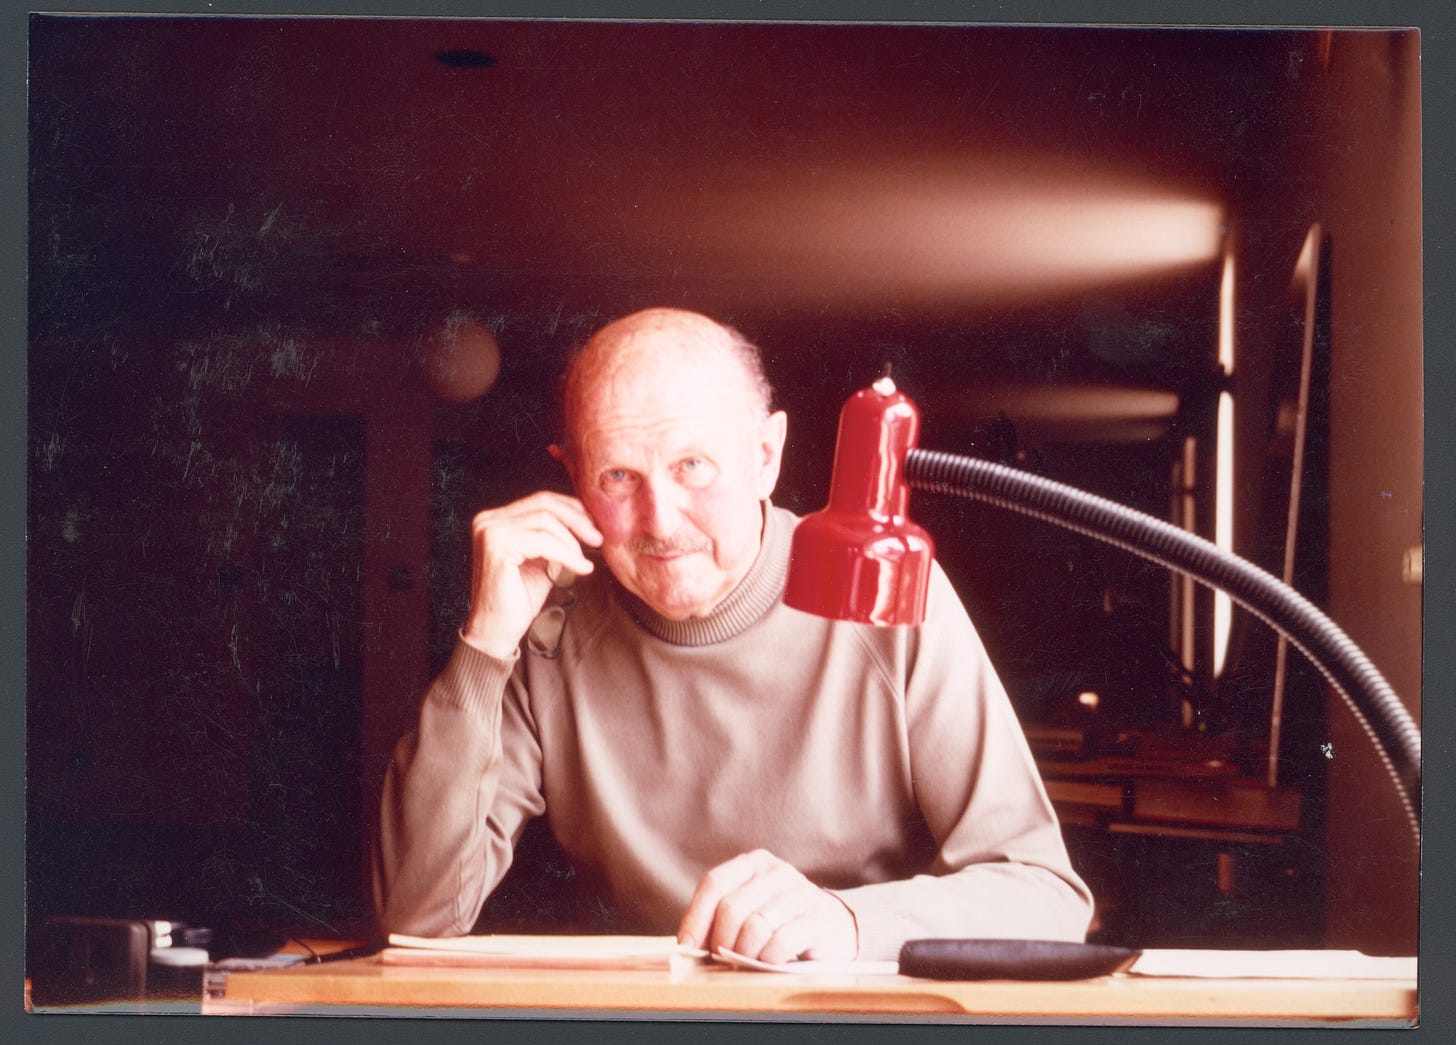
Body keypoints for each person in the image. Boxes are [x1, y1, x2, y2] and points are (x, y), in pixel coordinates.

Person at [373, 307, 1093, 962]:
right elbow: (415, 915)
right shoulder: (544, 621)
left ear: (767, 456)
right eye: (619, 475)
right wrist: (485, 646)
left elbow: (1044, 895)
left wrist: (844, 921)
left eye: (694, 465)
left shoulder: (886, 587)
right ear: (571, 477)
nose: (659, 519)